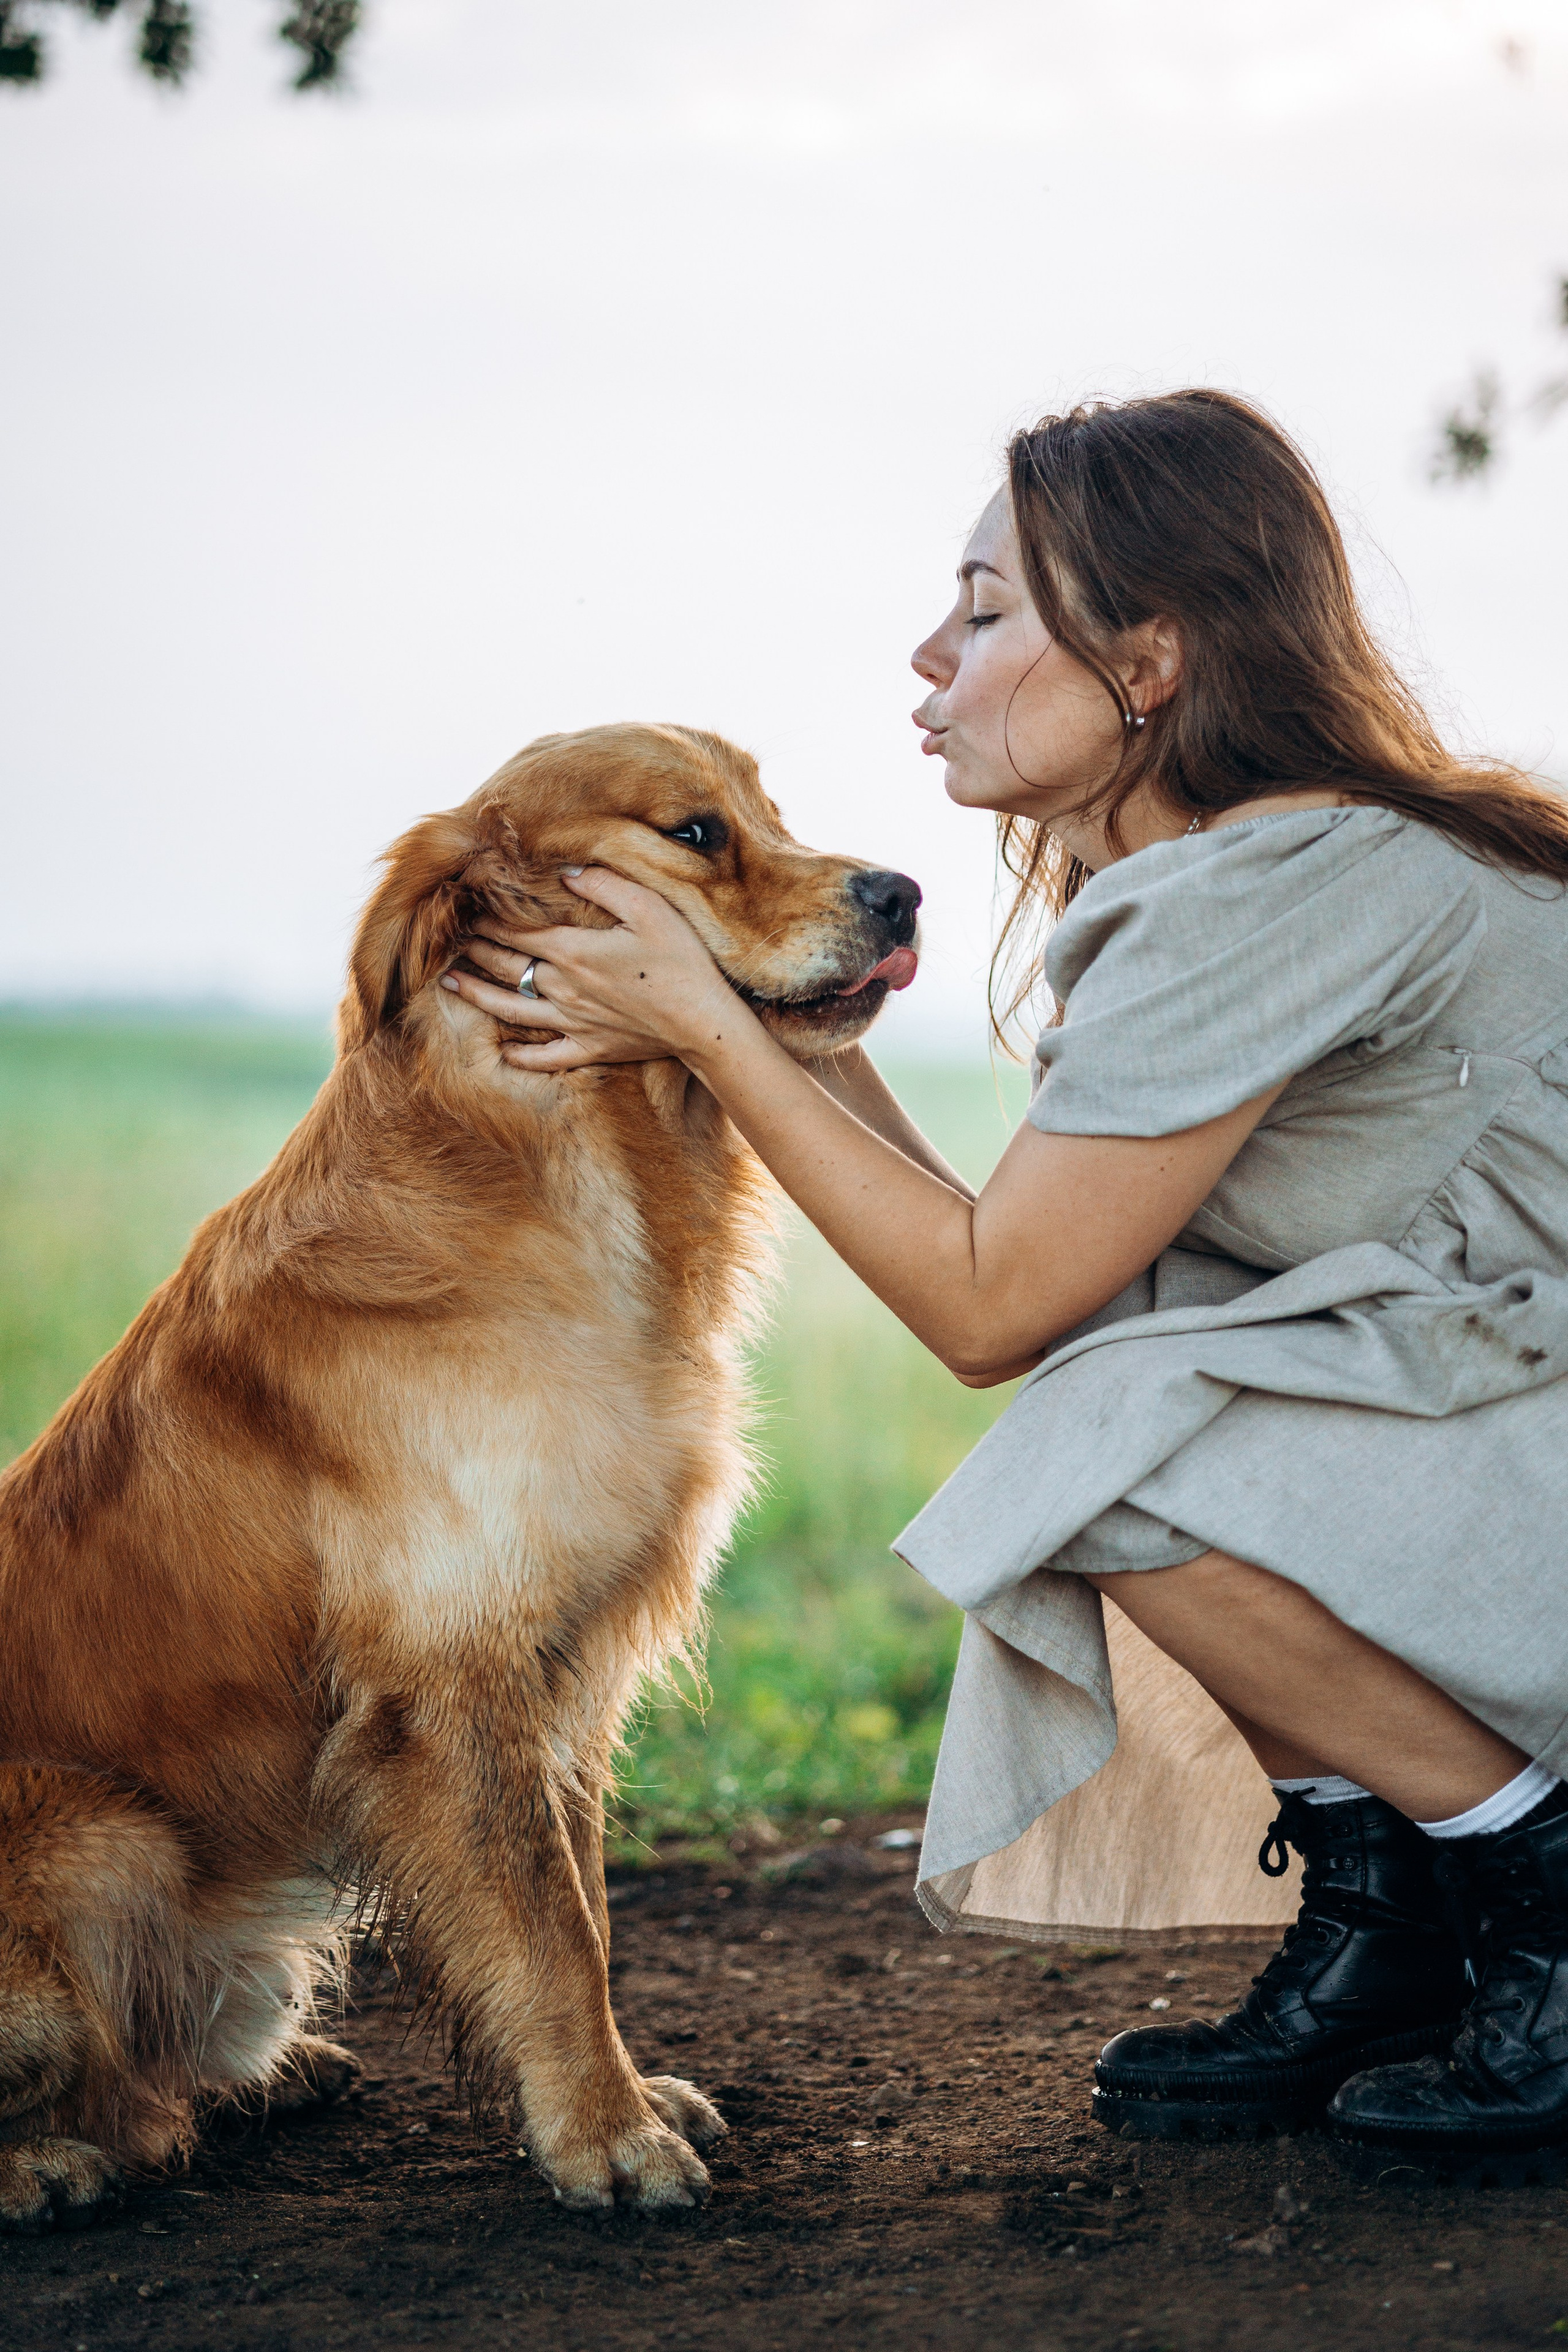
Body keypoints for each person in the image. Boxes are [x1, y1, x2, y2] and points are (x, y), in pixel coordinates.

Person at [441, 389, 1568, 2169]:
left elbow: (986, 1310)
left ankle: (1540, 1892)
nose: (928, 655)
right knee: (1128, 1370)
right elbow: (1040, 1269)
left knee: (1104, 1435)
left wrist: (706, 1033)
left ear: (1150, 661)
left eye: (982, 612)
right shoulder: (1237, 871)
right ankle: (1399, 1932)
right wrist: (764, 1013)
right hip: (1517, 1433)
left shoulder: (1263, 892)